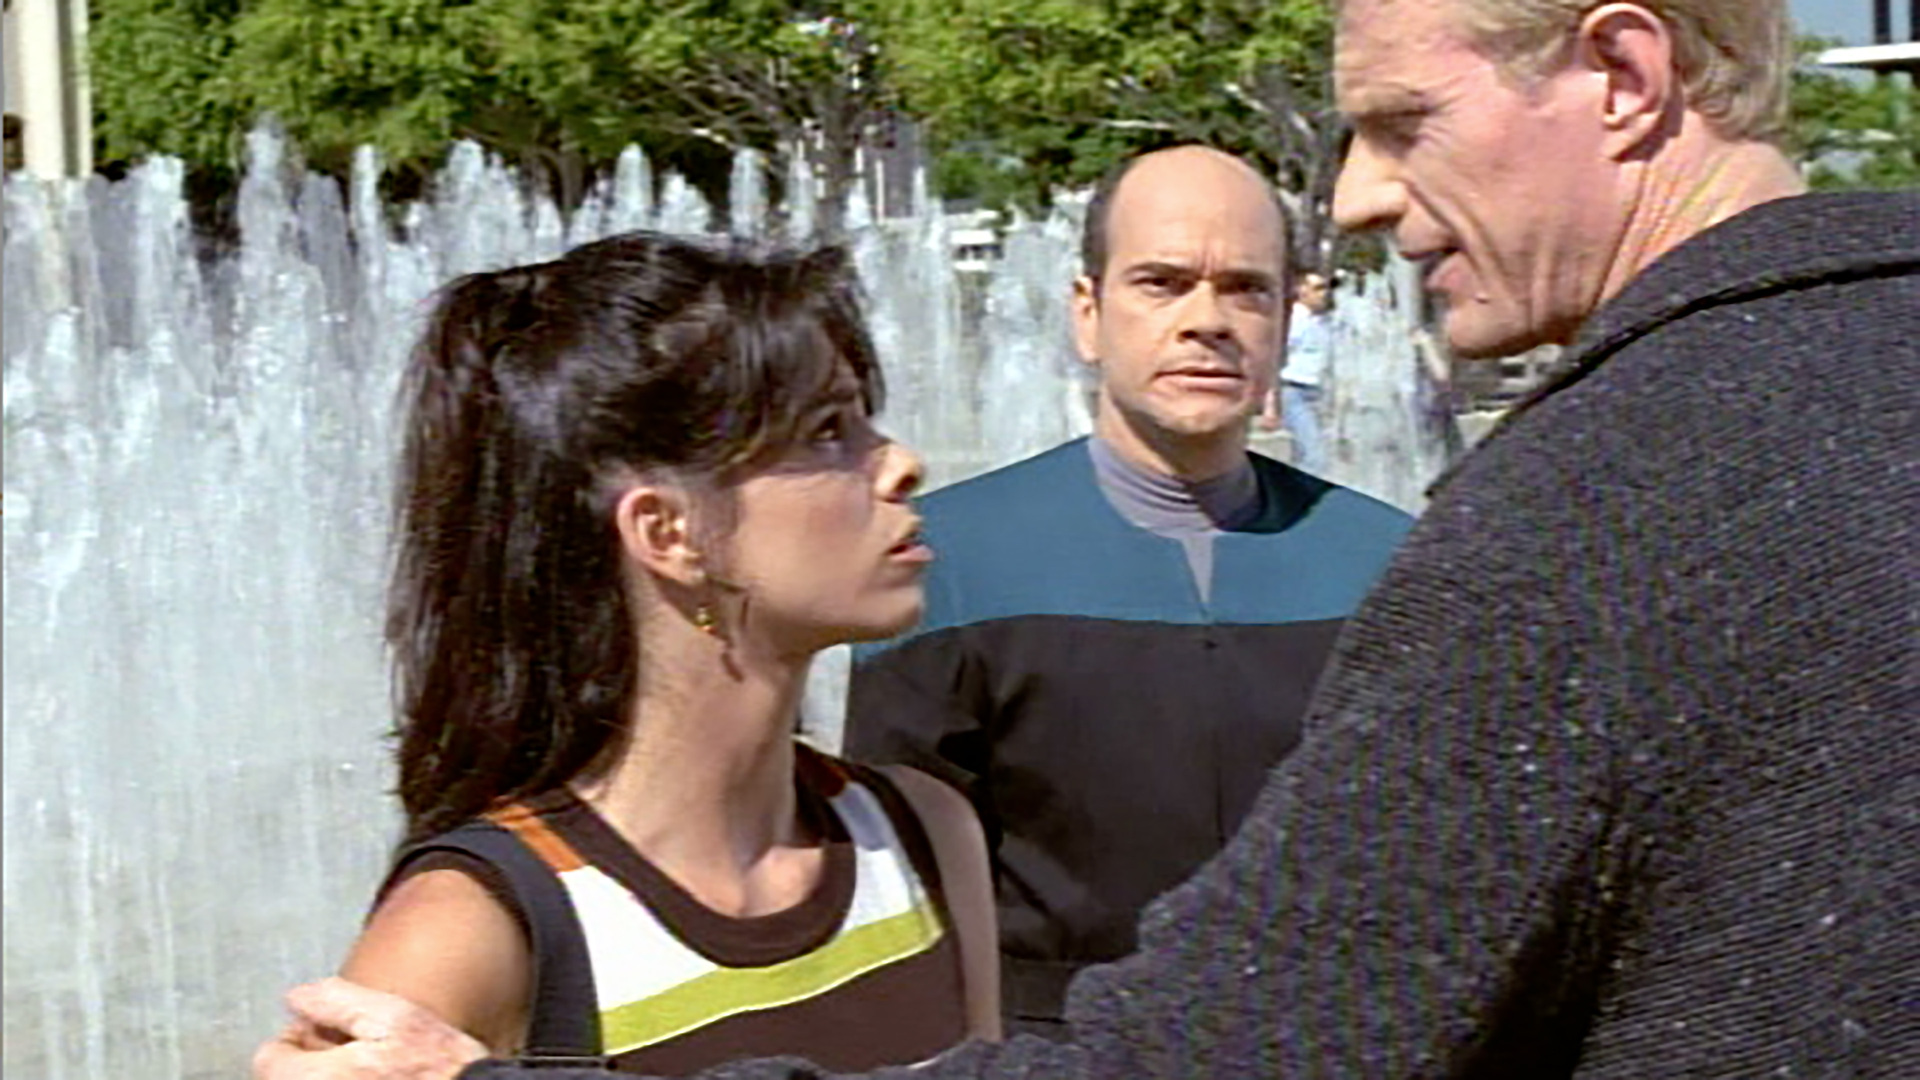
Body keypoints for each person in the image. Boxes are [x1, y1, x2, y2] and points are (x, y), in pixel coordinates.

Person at [258, 0, 1919, 1075]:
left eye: (1404, 123)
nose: (1354, 194)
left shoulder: (1541, 524)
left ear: (1625, 78)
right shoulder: (499, 904)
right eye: (1162, 281)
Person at [257, 234, 1000, 1077]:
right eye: (827, 430)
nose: (903, 464)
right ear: (668, 531)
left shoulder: (921, 830)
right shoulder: (470, 930)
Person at [840, 144, 1412, 1039]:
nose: (1206, 321)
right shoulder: (947, 563)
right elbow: (902, 896)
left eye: (1246, 289)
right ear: (1088, 313)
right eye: (1161, 283)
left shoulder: (1387, 563)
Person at [1260, 271, 1335, 473]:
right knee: (1313, 456)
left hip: (1319, 393)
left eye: (1326, 288)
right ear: (1302, 291)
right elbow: (1272, 360)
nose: (1324, 294)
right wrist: (1269, 405)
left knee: (1316, 454)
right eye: (1317, 288)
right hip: (1295, 392)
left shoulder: (1322, 321)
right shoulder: (1294, 321)